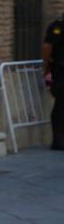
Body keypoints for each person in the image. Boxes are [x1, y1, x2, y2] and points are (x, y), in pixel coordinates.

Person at [44, 12, 64, 150]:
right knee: (61, 104)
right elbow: (47, 47)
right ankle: (58, 140)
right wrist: (46, 66)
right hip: (61, 70)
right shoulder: (57, 26)